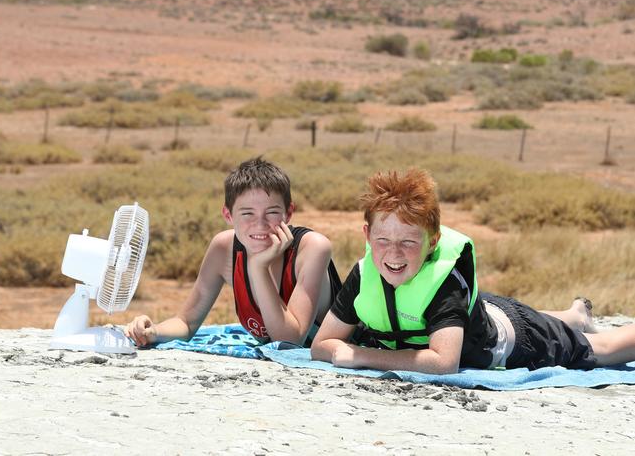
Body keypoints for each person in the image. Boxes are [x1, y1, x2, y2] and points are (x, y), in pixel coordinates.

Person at [311, 168, 635, 373]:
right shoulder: (364, 272)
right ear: (367, 236)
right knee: (494, 311)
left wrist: (359, 354)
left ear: (433, 241)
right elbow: (321, 345)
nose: (394, 254)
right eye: (383, 240)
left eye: (409, 242)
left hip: (516, 335)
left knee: (603, 350)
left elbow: (443, 362)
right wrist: (340, 350)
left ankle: (574, 321)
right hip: (478, 311)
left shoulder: (444, 285)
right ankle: (575, 315)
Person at [126, 157, 341, 347]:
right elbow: (186, 322)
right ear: (228, 215)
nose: (260, 224)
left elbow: (288, 341)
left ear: (289, 213)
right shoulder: (224, 248)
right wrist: (153, 331)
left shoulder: (312, 248)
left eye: (272, 212)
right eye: (247, 213)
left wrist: (258, 268)